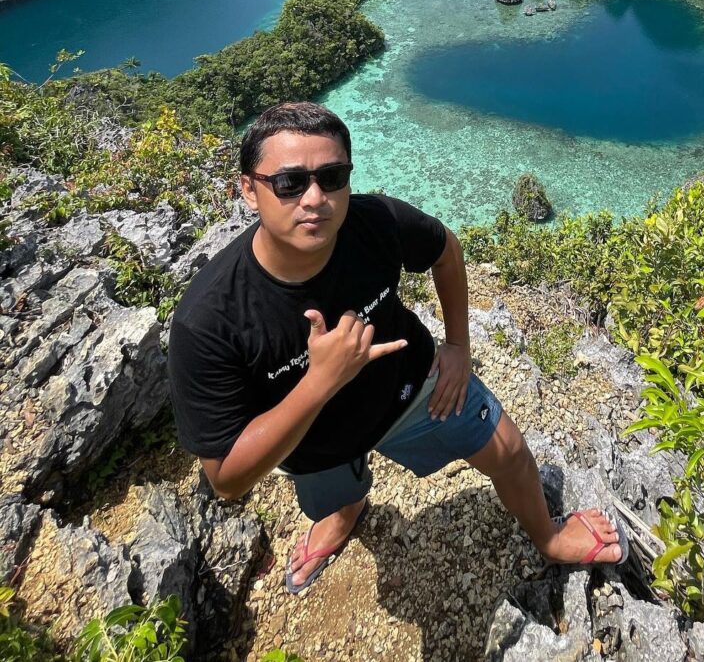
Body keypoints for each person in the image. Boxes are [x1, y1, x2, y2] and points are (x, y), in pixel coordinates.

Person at [168, 102, 628, 593]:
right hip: (310, 441)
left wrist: (458, 346)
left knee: (510, 452)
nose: (315, 198)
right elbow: (226, 479)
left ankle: (550, 539)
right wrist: (321, 382)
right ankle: (346, 513)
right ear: (248, 190)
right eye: (289, 183)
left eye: (332, 176)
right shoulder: (210, 320)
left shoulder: (374, 223)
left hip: (411, 391)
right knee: (335, 495)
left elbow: (446, 250)